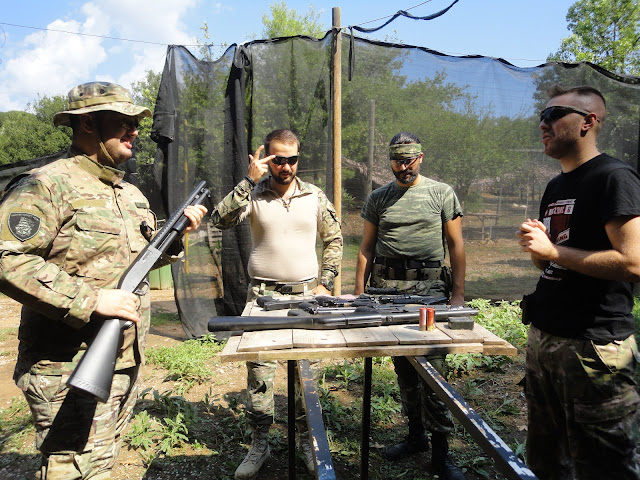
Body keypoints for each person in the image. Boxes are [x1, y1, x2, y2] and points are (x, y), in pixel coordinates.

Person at [0, 81, 207, 480]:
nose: (134, 131)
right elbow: (7, 258)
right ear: (89, 124)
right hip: (66, 364)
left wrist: (177, 236)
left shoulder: (129, 194)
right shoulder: (45, 184)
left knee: (102, 462)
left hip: (123, 358)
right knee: (70, 466)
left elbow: (138, 262)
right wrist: (91, 299)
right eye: (124, 122)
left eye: (136, 122)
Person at [516, 85, 640, 480]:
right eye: (542, 115)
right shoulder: (556, 186)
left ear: (588, 122)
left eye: (555, 115)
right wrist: (539, 251)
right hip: (547, 341)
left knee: (605, 467)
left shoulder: (614, 177)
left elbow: (634, 262)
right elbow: (551, 265)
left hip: (595, 348)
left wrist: (553, 252)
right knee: (547, 460)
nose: (543, 123)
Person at [211, 128, 343, 479]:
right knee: (259, 376)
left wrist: (325, 283)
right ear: (266, 158)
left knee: (305, 375)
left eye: (292, 159)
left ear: (299, 158)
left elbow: (335, 238)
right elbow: (218, 220)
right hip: (262, 297)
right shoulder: (252, 195)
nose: (286, 166)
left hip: (306, 298)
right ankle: (260, 444)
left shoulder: (314, 196)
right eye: (278, 159)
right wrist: (246, 181)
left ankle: (305, 441)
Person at [354, 131, 466, 480]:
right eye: (398, 160)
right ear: (390, 160)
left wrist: (459, 295)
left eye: (410, 159)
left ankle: (441, 453)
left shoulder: (440, 192)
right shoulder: (379, 197)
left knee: (433, 374)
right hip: (386, 293)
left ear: (421, 157)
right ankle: (415, 437)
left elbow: (456, 245)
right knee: (404, 369)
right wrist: (359, 294)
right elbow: (366, 249)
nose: (404, 166)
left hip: (430, 293)